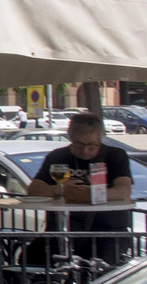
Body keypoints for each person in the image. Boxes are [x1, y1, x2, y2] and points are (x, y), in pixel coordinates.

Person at [28, 112, 134, 266]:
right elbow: (33, 190)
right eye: (78, 145)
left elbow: (124, 192)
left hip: (107, 231)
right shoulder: (58, 157)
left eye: (92, 145)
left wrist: (90, 194)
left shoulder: (115, 156)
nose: (85, 151)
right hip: (66, 230)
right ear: (70, 138)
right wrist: (60, 190)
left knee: (98, 272)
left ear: (100, 139)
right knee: (31, 258)